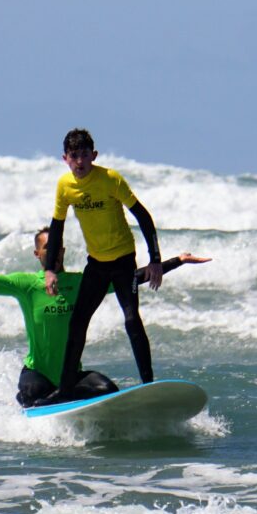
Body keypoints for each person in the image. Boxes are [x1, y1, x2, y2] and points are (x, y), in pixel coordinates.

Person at [0, 228, 208, 407]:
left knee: (108, 391)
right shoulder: (25, 284)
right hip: (39, 374)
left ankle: (66, 400)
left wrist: (176, 261)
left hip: (72, 373)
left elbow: (134, 277)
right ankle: (46, 404)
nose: (53, 251)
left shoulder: (80, 282)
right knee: (32, 394)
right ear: (38, 254)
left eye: (57, 246)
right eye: (47, 247)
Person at [38, 128, 165, 405]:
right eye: (74, 156)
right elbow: (57, 228)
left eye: (85, 155)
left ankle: (148, 384)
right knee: (77, 323)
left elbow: (143, 216)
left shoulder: (110, 179)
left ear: (93, 156)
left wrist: (155, 260)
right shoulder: (64, 186)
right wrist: (49, 269)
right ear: (65, 158)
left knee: (132, 319)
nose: (80, 162)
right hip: (96, 264)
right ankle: (66, 387)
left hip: (123, 263)